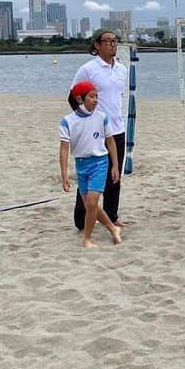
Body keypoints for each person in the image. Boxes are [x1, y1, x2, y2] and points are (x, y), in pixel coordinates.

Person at [71, 29, 128, 232]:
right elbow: (74, 97)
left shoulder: (121, 69)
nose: (113, 44)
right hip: (95, 132)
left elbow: (118, 97)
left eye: (115, 41)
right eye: (108, 41)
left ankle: (111, 215)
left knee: (114, 175)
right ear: (97, 45)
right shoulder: (88, 69)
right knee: (91, 175)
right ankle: (83, 218)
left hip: (117, 130)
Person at [59, 81, 122, 248]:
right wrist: (64, 174)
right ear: (80, 99)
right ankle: (112, 228)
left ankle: (87, 238)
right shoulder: (67, 121)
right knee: (89, 205)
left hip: (100, 162)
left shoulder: (102, 117)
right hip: (81, 165)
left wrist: (115, 166)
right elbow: (64, 149)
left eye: (97, 96)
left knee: (92, 203)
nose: (95, 100)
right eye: (92, 96)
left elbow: (110, 141)